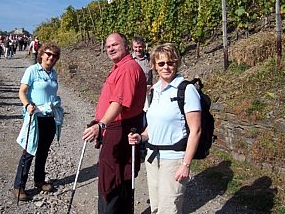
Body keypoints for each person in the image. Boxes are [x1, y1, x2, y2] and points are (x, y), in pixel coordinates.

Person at [128, 43, 202, 214]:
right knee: (155, 208)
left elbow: (196, 131)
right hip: (152, 159)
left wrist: (186, 164)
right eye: (161, 64)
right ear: (154, 65)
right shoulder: (153, 91)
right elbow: (150, 128)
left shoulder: (186, 89)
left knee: (169, 209)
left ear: (177, 63)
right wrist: (140, 137)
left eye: (171, 62)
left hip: (174, 160)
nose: (166, 67)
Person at [82, 32, 146, 214]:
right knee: (117, 179)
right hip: (116, 130)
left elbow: (119, 103)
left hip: (120, 132)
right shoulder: (119, 67)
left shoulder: (127, 69)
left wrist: (101, 124)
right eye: (108, 46)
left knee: (113, 181)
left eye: (115, 45)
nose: (110, 48)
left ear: (125, 46)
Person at [12, 42, 63, 201]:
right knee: (29, 151)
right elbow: (22, 91)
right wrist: (27, 105)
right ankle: (18, 186)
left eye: (54, 55)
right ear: (41, 54)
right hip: (35, 117)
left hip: (50, 118)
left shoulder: (53, 73)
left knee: (43, 151)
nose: (51, 57)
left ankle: (39, 180)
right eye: (48, 54)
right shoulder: (32, 70)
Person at [131, 36, 153, 160]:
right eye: (136, 47)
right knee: (135, 117)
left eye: (140, 47)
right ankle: (135, 142)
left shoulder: (149, 59)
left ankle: (143, 145)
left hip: (147, 93)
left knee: (146, 118)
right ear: (133, 47)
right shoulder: (130, 59)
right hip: (134, 93)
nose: (138, 49)